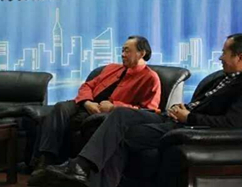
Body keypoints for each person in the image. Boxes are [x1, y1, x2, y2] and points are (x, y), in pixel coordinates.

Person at [34, 34, 242, 187]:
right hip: (173, 119)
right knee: (119, 117)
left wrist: (189, 117)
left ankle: (92, 182)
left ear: (240, 57)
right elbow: (201, 105)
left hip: (188, 129)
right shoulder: (222, 79)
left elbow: (232, 123)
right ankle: (91, 182)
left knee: (119, 125)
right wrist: (182, 108)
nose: (220, 57)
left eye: (225, 53)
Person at [29, 36, 161, 173]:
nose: (122, 54)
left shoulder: (150, 77)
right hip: (86, 104)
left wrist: (114, 106)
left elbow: (147, 111)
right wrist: (87, 102)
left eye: (127, 51)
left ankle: (51, 165)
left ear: (141, 53)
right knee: (59, 108)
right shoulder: (111, 68)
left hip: (104, 114)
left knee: (72, 121)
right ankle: (46, 160)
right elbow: (87, 86)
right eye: (122, 50)